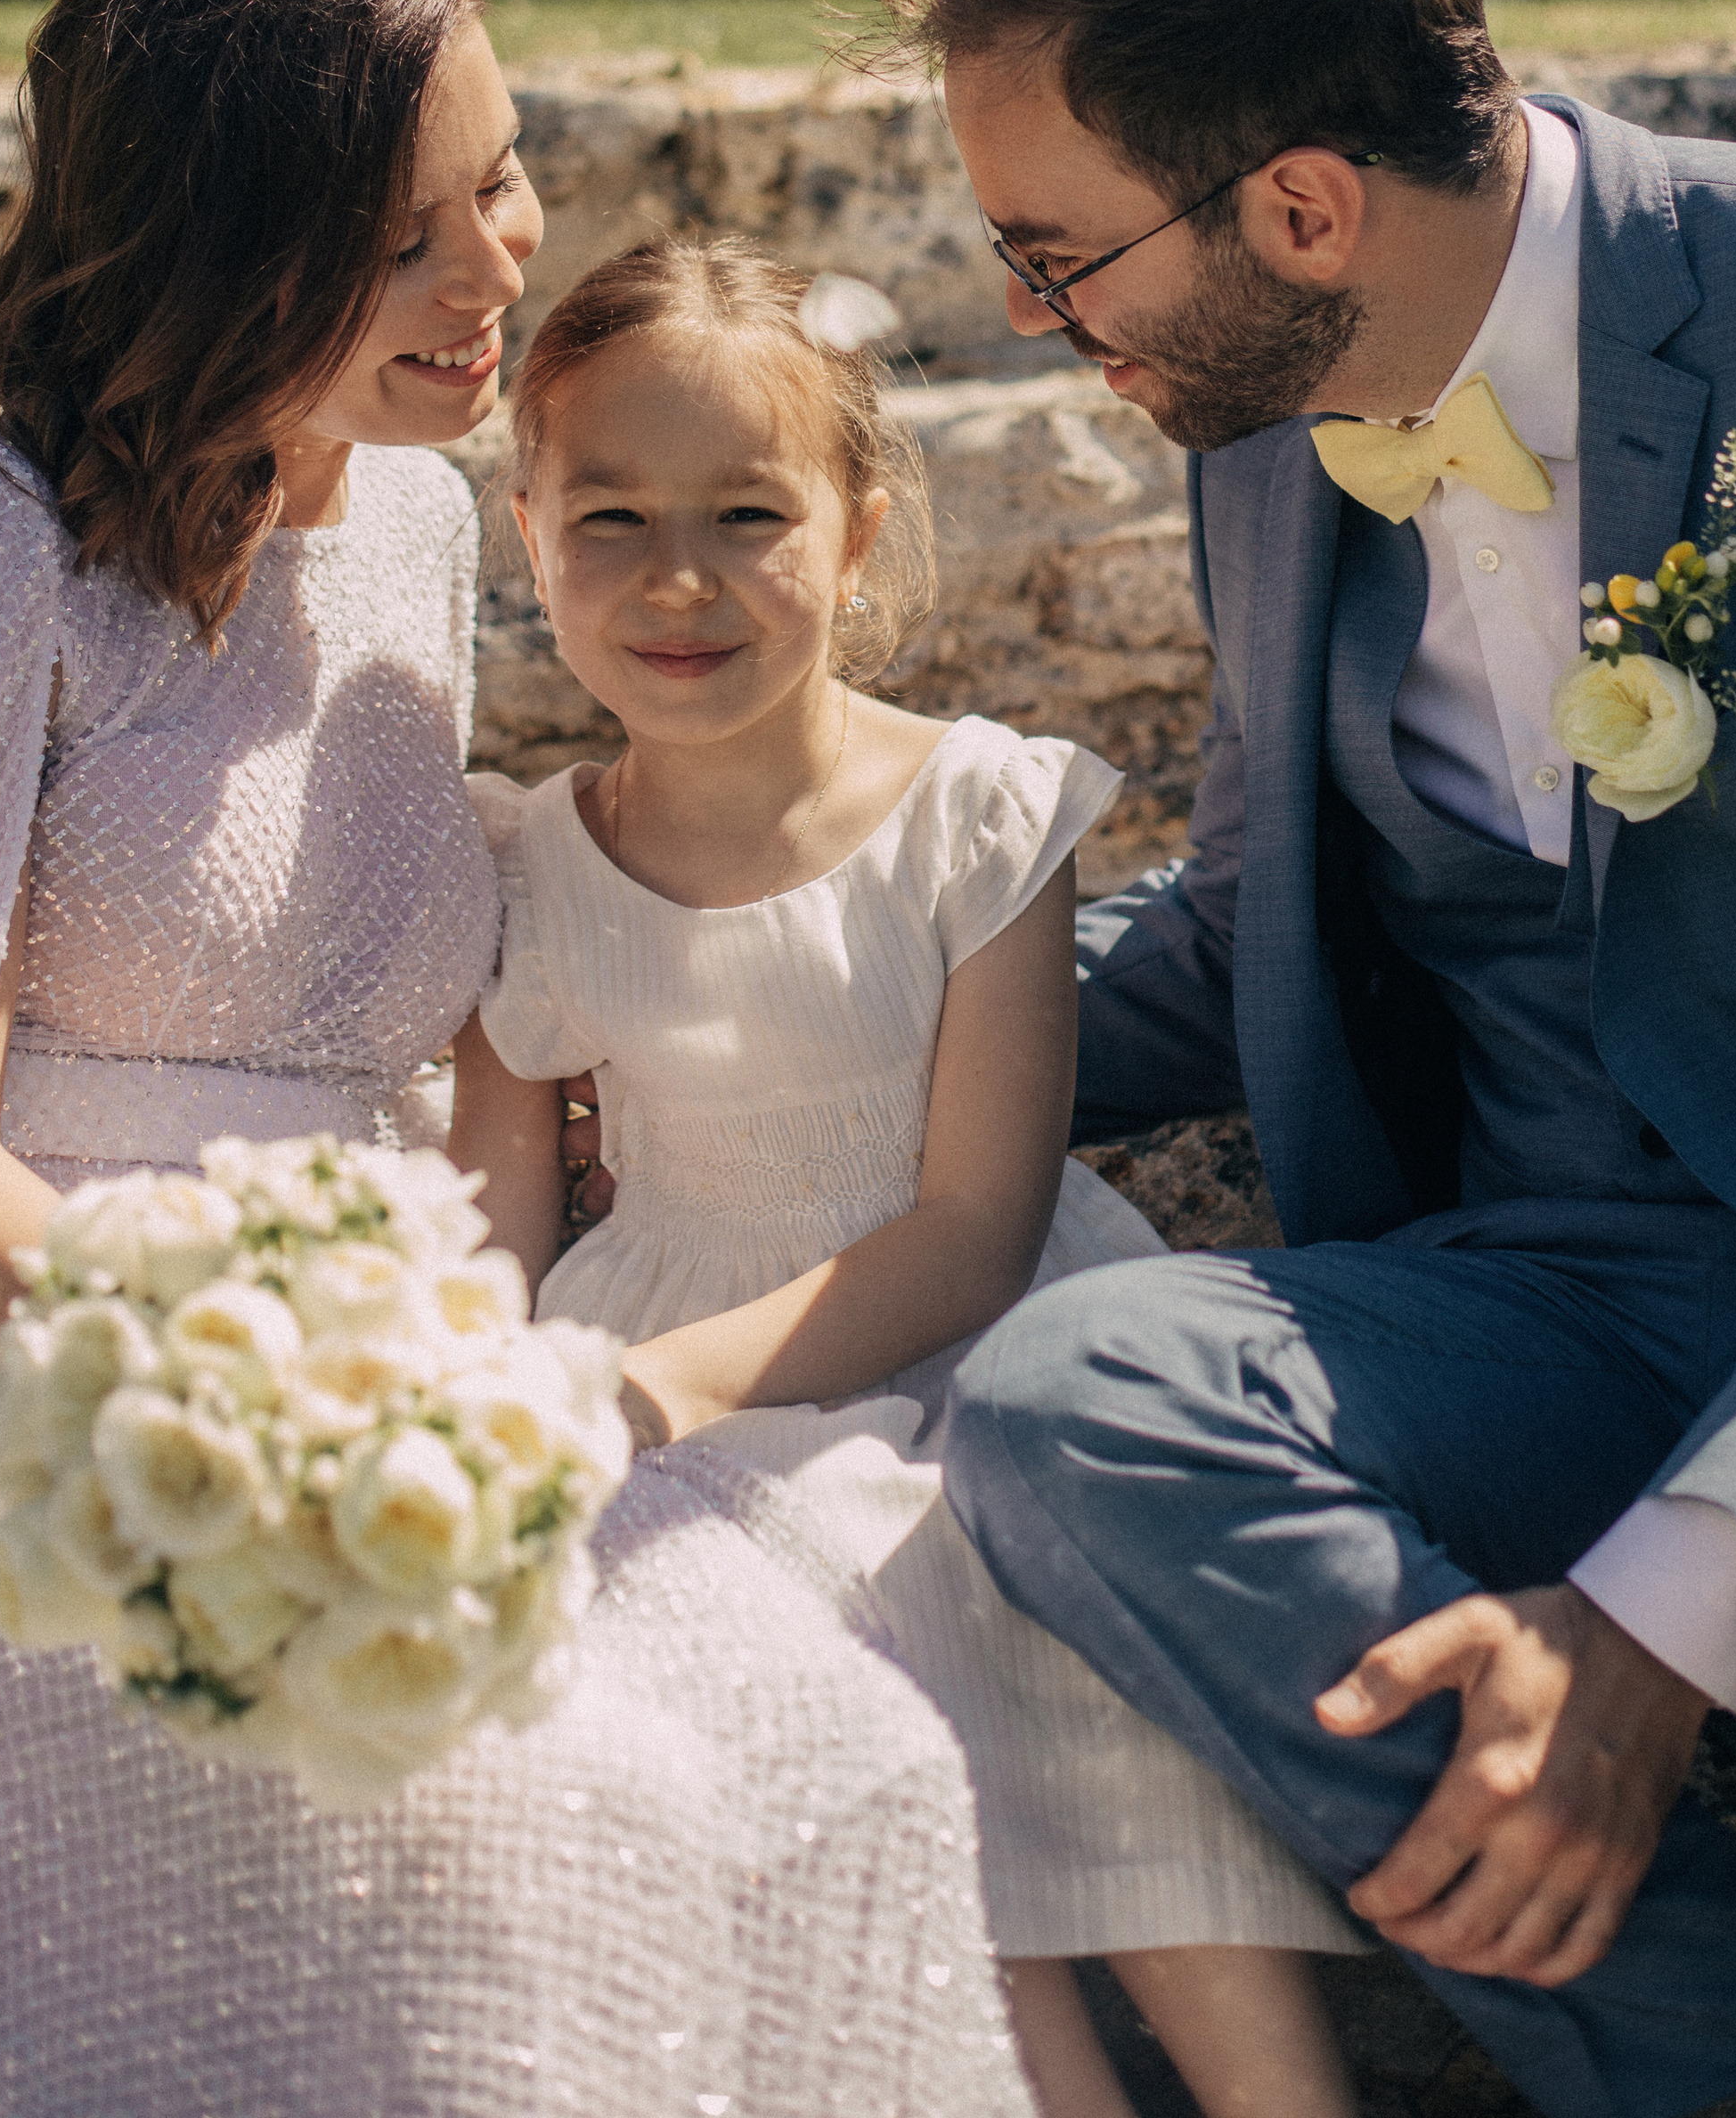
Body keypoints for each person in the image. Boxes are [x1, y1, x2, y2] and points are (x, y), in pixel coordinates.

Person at [0, 0, 1028, 2118]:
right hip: (38, 1416)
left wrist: (463, 1388)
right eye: (399, 241)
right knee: (504, 1814)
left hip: (409, 1368)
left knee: (827, 1742)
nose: (494, 274)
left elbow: (464, 1051)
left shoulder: (409, 521)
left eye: (500, 181)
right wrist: (272, 1418)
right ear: (208, 244)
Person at [847, 0, 1736, 2118]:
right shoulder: (1262, 419)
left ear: (1304, 203)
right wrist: (787, 1002)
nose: (1034, 327)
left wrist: (1670, 1613)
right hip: (1545, 1302)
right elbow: (1243, 947)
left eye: (1054, 255)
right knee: (1081, 1397)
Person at [450, 234, 1368, 2118]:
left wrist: (664, 1388)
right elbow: (489, 1240)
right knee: (838, 1654)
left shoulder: (972, 811)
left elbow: (969, 1227)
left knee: (1008, 1588)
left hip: (966, 1352)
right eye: (607, 515)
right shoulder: (520, 870)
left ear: (857, 534)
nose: (677, 577)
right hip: (666, 1406)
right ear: (522, 532)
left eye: (744, 512)